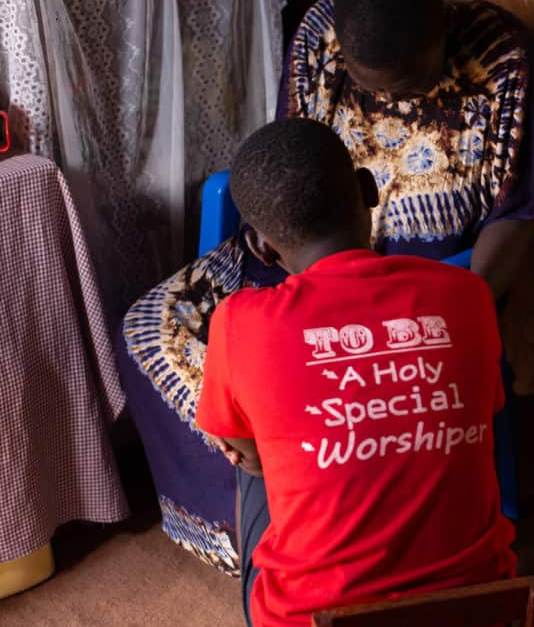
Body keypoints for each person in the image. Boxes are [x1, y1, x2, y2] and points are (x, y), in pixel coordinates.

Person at [119, 0, 534, 573]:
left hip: (423, 282)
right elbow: (288, 160)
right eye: (366, 80)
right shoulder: (320, 33)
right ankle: (260, 523)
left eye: (406, 82)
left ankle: (297, 515)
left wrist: (464, 313)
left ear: (441, 35)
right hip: (299, 249)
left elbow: (521, 207)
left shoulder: (504, 57)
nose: (387, 97)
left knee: (264, 383)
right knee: (149, 332)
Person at [197, 118, 516, 627]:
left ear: (260, 247)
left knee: (245, 449)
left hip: (310, 618)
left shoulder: (239, 323)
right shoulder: (467, 295)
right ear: (368, 190)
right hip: (484, 609)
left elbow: (250, 455)